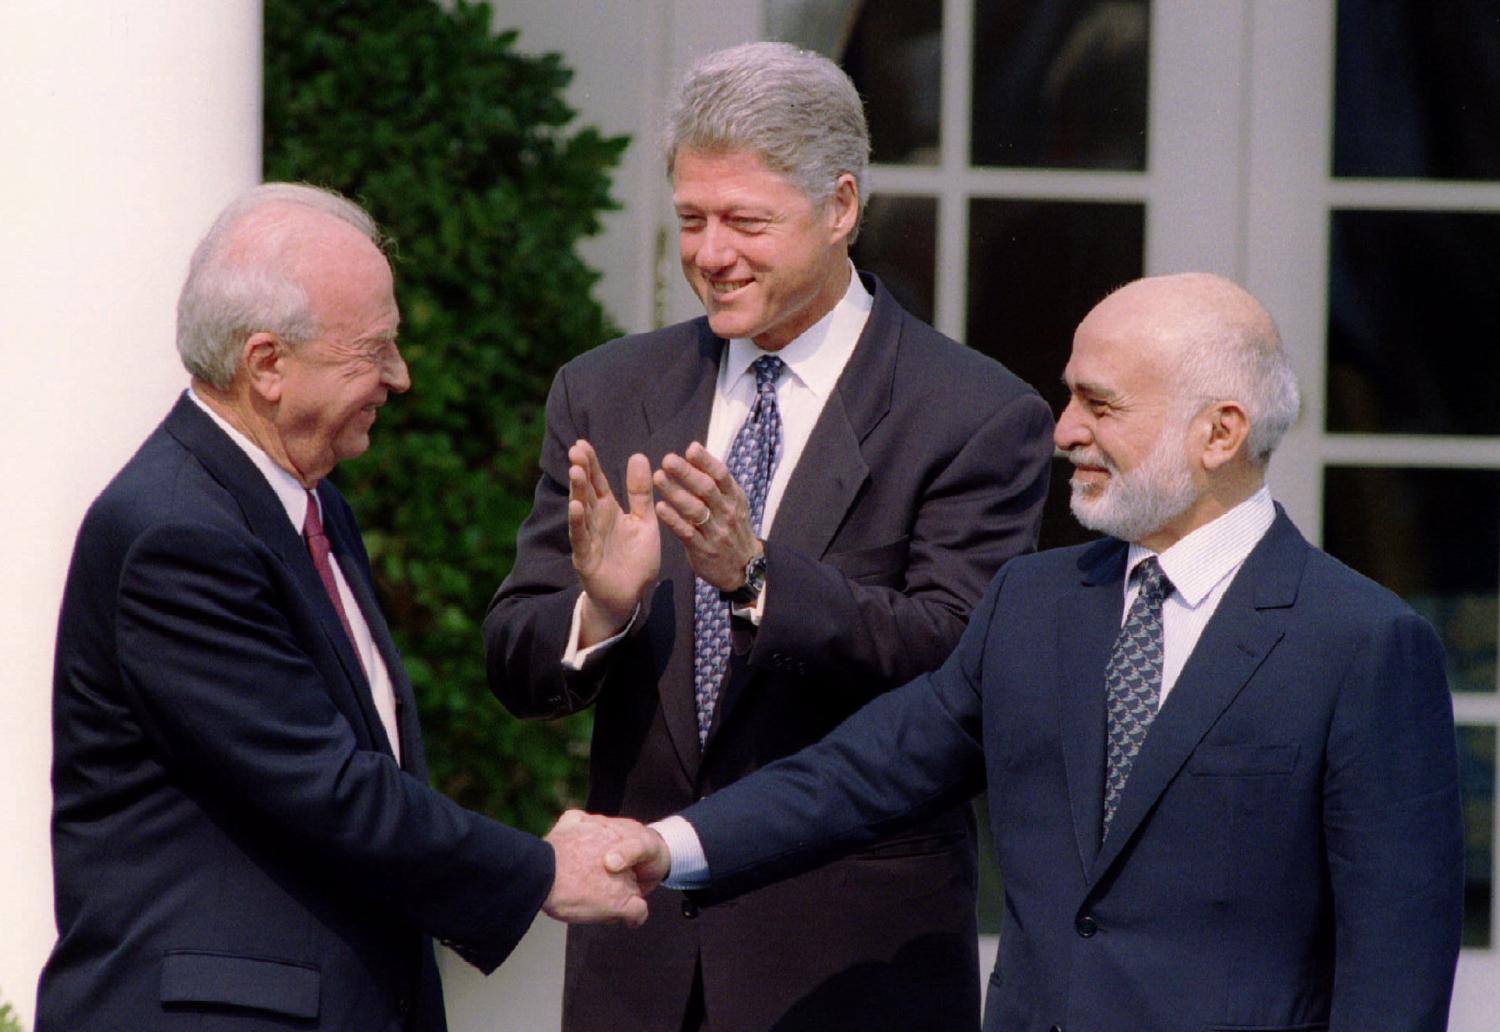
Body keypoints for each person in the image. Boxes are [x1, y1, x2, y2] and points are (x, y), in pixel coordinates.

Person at [621, 273, 1466, 1031]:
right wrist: (667, 848)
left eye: (1100, 406)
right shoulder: (1033, 604)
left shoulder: (1362, 644)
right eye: (1069, 399)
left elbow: (1396, 966)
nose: (1064, 431)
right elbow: (863, 773)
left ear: (1221, 433)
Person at [483, 41, 1054, 1032]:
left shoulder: (971, 414)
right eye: (692, 219)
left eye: (747, 221)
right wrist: (601, 610)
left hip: (848, 964)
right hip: (638, 962)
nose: (711, 253)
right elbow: (516, 660)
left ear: (841, 208)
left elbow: (959, 665)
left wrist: (756, 581)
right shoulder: (608, 390)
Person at [37, 183, 650, 1032]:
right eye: (374, 351)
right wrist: (540, 872)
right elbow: (328, 788)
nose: (399, 378)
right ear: (266, 364)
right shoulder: (176, 534)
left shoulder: (308, 507)